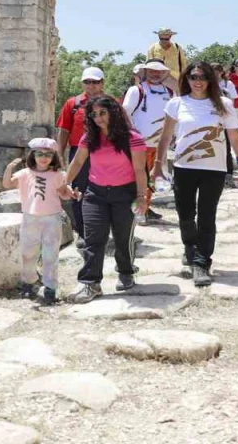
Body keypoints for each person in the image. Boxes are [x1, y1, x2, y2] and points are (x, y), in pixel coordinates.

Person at [153, 62, 238, 287]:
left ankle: (201, 262)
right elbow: (166, 135)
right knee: (185, 214)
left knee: (207, 216)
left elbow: (235, 137)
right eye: (193, 76)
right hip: (184, 168)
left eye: (203, 77)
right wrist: (157, 164)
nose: (198, 81)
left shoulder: (223, 104)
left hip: (213, 170)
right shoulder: (176, 104)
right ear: (186, 79)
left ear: (211, 80)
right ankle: (190, 248)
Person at [63, 96, 148, 304]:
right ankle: (90, 282)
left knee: (122, 238)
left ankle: (126, 271)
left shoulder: (133, 138)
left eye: (102, 113)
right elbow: (77, 162)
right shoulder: (89, 138)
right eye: (93, 114)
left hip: (124, 194)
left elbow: (139, 169)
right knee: (93, 239)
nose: (98, 118)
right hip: (95, 194)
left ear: (114, 112)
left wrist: (141, 196)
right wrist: (65, 183)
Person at [2, 138, 66, 305]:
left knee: (50, 254)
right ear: (33, 155)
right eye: (39, 154)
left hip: (52, 218)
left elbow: (64, 193)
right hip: (30, 217)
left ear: (53, 157)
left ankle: (50, 288)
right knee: (28, 253)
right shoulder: (24, 174)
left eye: (48, 154)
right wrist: (9, 168)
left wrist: (73, 193)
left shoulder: (58, 175)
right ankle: (28, 283)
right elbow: (7, 184)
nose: (43, 158)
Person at [55, 67, 106, 245]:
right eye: (87, 82)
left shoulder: (110, 103)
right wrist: (59, 153)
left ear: (102, 83)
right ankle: (83, 231)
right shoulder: (73, 103)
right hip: (78, 153)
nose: (91, 85)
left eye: (95, 82)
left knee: (104, 190)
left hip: (104, 152)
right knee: (78, 191)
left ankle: (100, 229)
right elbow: (63, 130)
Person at [120, 59, 172, 223]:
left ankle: (145, 208)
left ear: (164, 73)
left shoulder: (169, 92)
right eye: (151, 71)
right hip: (138, 144)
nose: (155, 74)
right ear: (145, 72)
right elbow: (125, 113)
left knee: (153, 178)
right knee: (137, 177)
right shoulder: (137, 90)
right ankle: (136, 211)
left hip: (159, 144)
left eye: (158, 71)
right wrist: (133, 133)